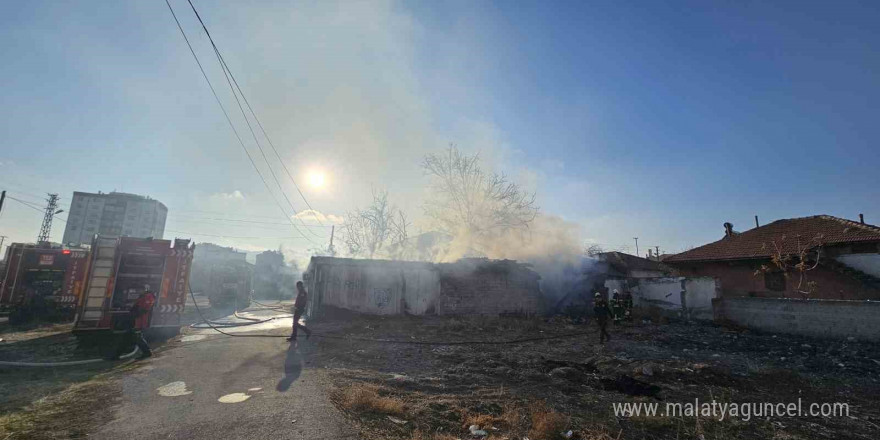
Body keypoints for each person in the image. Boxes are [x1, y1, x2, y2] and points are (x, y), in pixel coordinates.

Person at [114, 288, 156, 359]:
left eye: (141, 289)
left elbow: (142, 310)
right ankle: (116, 355)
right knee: (127, 337)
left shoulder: (148, 297)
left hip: (138, 322)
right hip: (135, 321)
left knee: (136, 337)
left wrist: (130, 315)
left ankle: (147, 352)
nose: (140, 291)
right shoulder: (144, 297)